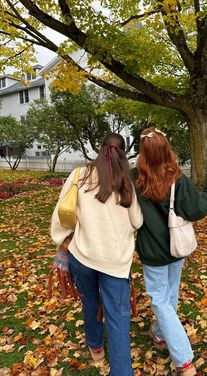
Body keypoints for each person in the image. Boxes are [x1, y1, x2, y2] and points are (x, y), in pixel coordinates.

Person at [131, 127, 207, 376]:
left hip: (153, 250)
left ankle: (182, 359)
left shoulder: (133, 178)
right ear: (166, 150)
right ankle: (168, 341)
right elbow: (196, 210)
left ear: (142, 151)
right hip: (175, 249)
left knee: (162, 299)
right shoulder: (176, 178)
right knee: (166, 297)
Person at [51, 133, 143, 376]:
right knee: (118, 318)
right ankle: (121, 371)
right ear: (124, 153)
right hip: (115, 261)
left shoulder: (79, 175)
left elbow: (62, 211)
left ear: (101, 149)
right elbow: (137, 221)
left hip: (83, 255)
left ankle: (95, 348)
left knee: (90, 301)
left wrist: (61, 241)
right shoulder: (126, 181)